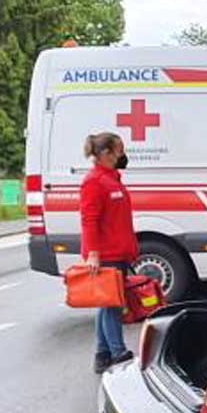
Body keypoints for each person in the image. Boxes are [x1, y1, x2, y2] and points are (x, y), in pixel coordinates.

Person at [79, 131, 138, 374]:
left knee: (106, 304)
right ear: (105, 153)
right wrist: (93, 253)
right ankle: (117, 353)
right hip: (106, 254)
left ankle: (102, 354)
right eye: (119, 149)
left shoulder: (112, 179)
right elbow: (89, 219)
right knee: (112, 304)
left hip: (118, 251)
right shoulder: (94, 181)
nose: (123, 154)